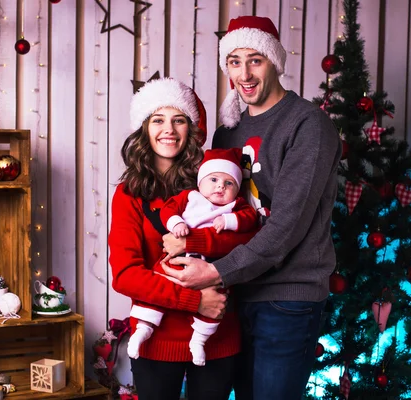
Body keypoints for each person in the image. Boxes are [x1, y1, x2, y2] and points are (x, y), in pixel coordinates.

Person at [161, 16, 342, 400]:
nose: (244, 73)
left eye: (255, 60)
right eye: (234, 61)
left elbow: (288, 227)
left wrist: (214, 272)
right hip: (237, 294)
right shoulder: (229, 131)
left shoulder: (308, 125)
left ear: (276, 61)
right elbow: (208, 206)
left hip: (286, 298)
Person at [108, 77, 256, 400]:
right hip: (156, 340)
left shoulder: (216, 181)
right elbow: (125, 274)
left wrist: (197, 244)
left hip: (216, 334)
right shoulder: (129, 194)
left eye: (179, 120)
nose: (169, 130)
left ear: (191, 128)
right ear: (144, 128)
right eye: (158, 120)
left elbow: (247, 240)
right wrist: (194, 300)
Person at [127, 147, 258, 366]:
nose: (220, 187)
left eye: (229, 183)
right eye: (214, 179)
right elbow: (168, 210)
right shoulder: (190, 197)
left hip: (212, 266)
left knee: (217, 298)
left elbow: (250, 220)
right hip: (178, 261)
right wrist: (176, 223)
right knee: (161, 277)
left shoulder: (234, 206)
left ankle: (199, 340)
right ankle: (143, 329)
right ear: (200, 182)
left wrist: (229, 222)